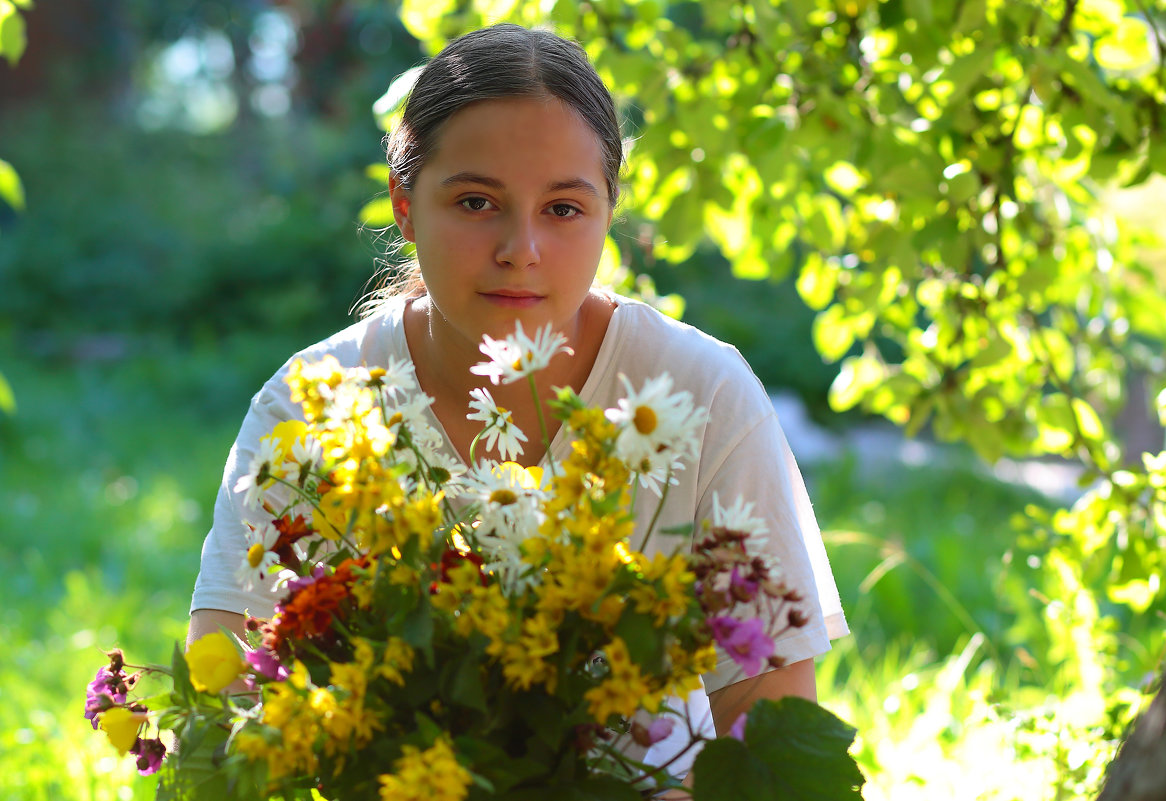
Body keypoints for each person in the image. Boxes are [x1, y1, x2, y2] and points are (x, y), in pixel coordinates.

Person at [188, 22, 848, 788]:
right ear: (405, 207)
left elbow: (768, 719)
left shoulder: (701, 393)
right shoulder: (311, 407)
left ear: (609, 213)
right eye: (476, 201)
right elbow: (226, 693)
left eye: (563, 209)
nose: (520, 249)